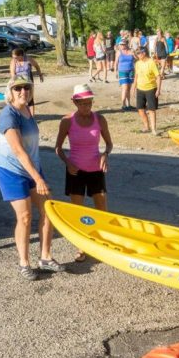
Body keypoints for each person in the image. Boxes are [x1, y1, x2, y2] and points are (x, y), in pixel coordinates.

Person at [0, 75, 64, 280]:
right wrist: (39, 178)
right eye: (18, 89)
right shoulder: (8, 115)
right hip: (11, 171)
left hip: (32, 169)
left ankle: (45, 257)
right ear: (10, 92)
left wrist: (37, 174)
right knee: (24, 217)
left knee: (48, 211)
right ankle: (24, 263)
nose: (23, 91)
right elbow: (18, 151)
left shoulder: (27, 111)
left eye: (26, 88)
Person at [55, 84, 113, 262]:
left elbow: (109, 144)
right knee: (79, 211)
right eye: (82, 104)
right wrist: (67, 162)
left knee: (101, 209)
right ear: (74, 102)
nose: (86, 107)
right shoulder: (67, 121)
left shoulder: (100, 119)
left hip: (96, 169)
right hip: (75, 171)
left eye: (89, 103)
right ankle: (82, 247)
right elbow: (58, 148)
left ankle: (102, 242)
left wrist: (105, 155)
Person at [130, 47, 162, 136]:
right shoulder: (137, 63)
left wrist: (158, 90)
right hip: (140, 89)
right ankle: (146, 126)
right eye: (136, 53)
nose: (137, 55)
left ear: (144, 53)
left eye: (139, 53)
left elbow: (158, 77)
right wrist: (133, 88)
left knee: (151, 110)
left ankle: (153, 129)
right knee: (140, 109)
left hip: (151, 89)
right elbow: (136, 76)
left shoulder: (151, 62)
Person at [9, 48, 44, 116]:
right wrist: (15, 82)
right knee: (17, 98)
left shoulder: (28, 59)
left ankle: (32, 117)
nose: (14, 59)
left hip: (28, 81)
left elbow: (36, 66)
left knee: (30, 98)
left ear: (21, 55)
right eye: (13, 57)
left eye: (16, 57)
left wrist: (40, 74)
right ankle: (19, 114)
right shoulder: (13, 61)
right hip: (18, 82)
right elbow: (12, 73)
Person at [114, 40, 135, 110]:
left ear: (126, 44)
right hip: (122, 71)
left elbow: (136, 59)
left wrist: (134, 54)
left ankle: (128, 104)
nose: (122, 45)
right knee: (124, 88)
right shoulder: (118, 52)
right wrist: (115, 72)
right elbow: (116, 63)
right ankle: (123, 105)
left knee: (129, 88)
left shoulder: (131, 51)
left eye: (123, 44)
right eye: (121, 44)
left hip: (131, 71)